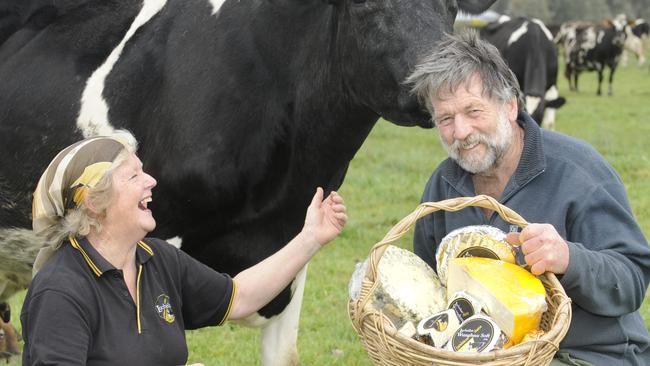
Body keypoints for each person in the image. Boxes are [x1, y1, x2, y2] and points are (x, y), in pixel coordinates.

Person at [407, 31, 650, 366]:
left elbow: (633, 278)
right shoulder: (443, 184)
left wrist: (569, 259)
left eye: (473, 111)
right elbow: (428, 292)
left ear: (510, 105)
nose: (460, 132)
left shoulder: (578, 170)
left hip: (589, 354)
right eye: (446, 119)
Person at [20, 132, 347, 365]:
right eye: (134, 176)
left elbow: (239, 296)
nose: (151, 181)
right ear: (94, 203)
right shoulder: (60, 292)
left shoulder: (157, 260)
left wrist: (310, 238)